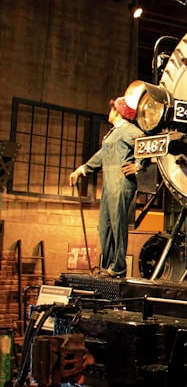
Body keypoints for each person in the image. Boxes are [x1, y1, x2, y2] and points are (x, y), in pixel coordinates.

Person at [69, 97, 144, 277]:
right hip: (109, 180)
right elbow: (103, 154)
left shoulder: (130, 130)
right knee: (105, 225)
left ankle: (118, 266)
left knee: (118, 224)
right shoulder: (114, 133)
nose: (108, 113)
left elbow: (146, 145)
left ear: (117, 111)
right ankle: (107, 265)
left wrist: (139, 165)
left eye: (111, 109)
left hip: (121, 180)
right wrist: (83, 169)